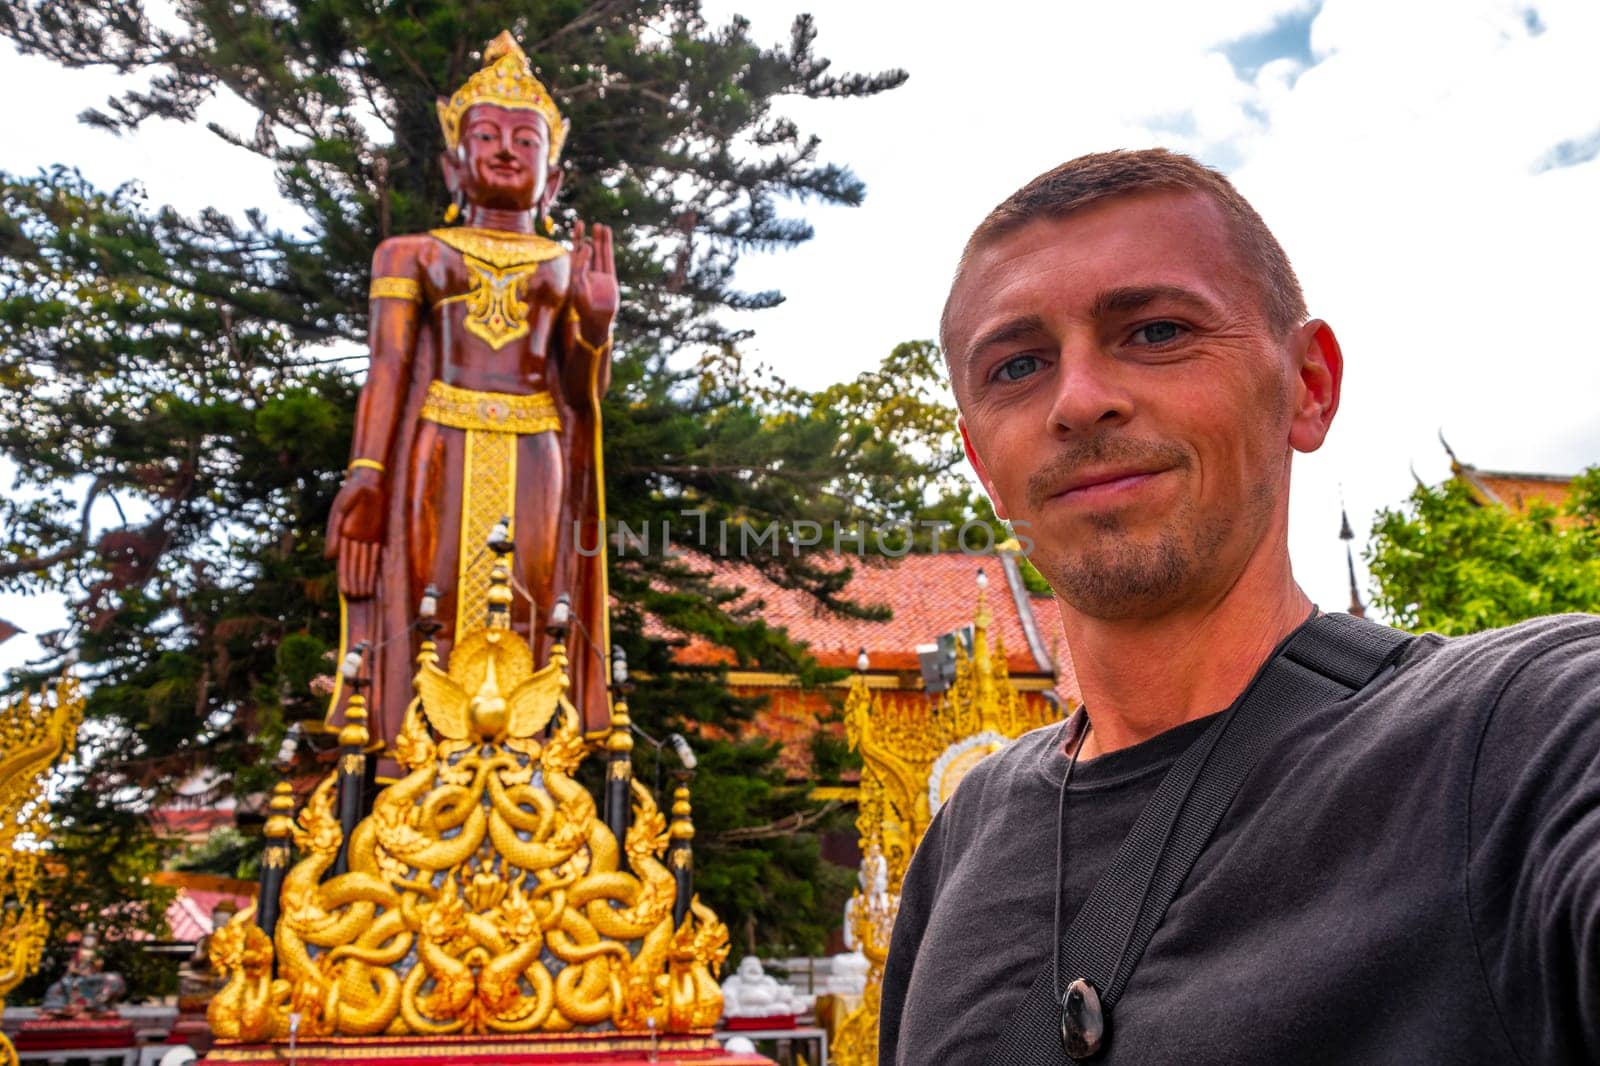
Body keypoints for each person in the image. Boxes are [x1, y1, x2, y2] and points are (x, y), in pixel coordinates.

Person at [878, 149, 1600, 1064]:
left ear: (1309, 385)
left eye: (1155, 332)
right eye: (1018, 366)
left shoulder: (1522, 737)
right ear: (982, 465)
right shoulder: (964, 840)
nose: (1081, 400)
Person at [323, 32, 617, 767]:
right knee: (429, 597)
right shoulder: (413, 256)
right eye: (487, 136)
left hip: (537, 448)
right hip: (439, 443)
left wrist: (595, 326)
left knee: (535, 600)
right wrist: (366, 476)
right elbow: (388, 366)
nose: (507, 150)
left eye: (527, 140)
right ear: (456, 163)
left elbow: (581, 400)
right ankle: (410, 763)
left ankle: (530, 763)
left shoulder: (563, 264)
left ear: (552, 182)